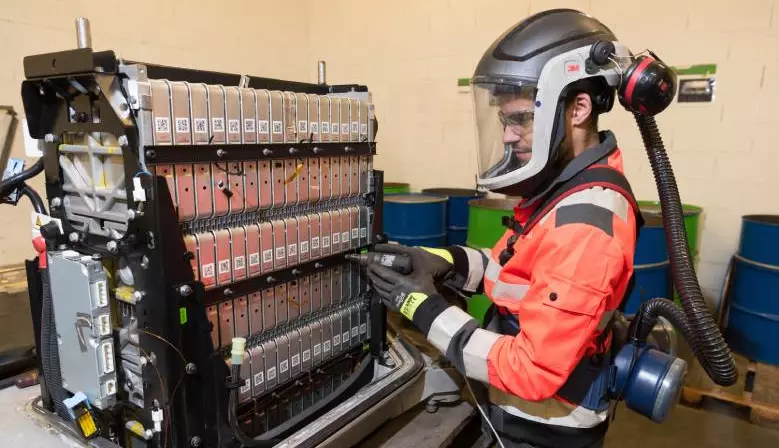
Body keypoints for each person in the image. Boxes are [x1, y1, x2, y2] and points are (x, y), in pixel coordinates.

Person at [364, 9, 644, 448]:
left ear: (579, 108)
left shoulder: (586, 224)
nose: (509, 136)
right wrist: (440, 260)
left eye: (521, 119)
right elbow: (511, 271)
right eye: (503, 122)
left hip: (544, 428)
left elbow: (531, 370)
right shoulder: (564, 190)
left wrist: (421, 306)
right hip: (513, 412)